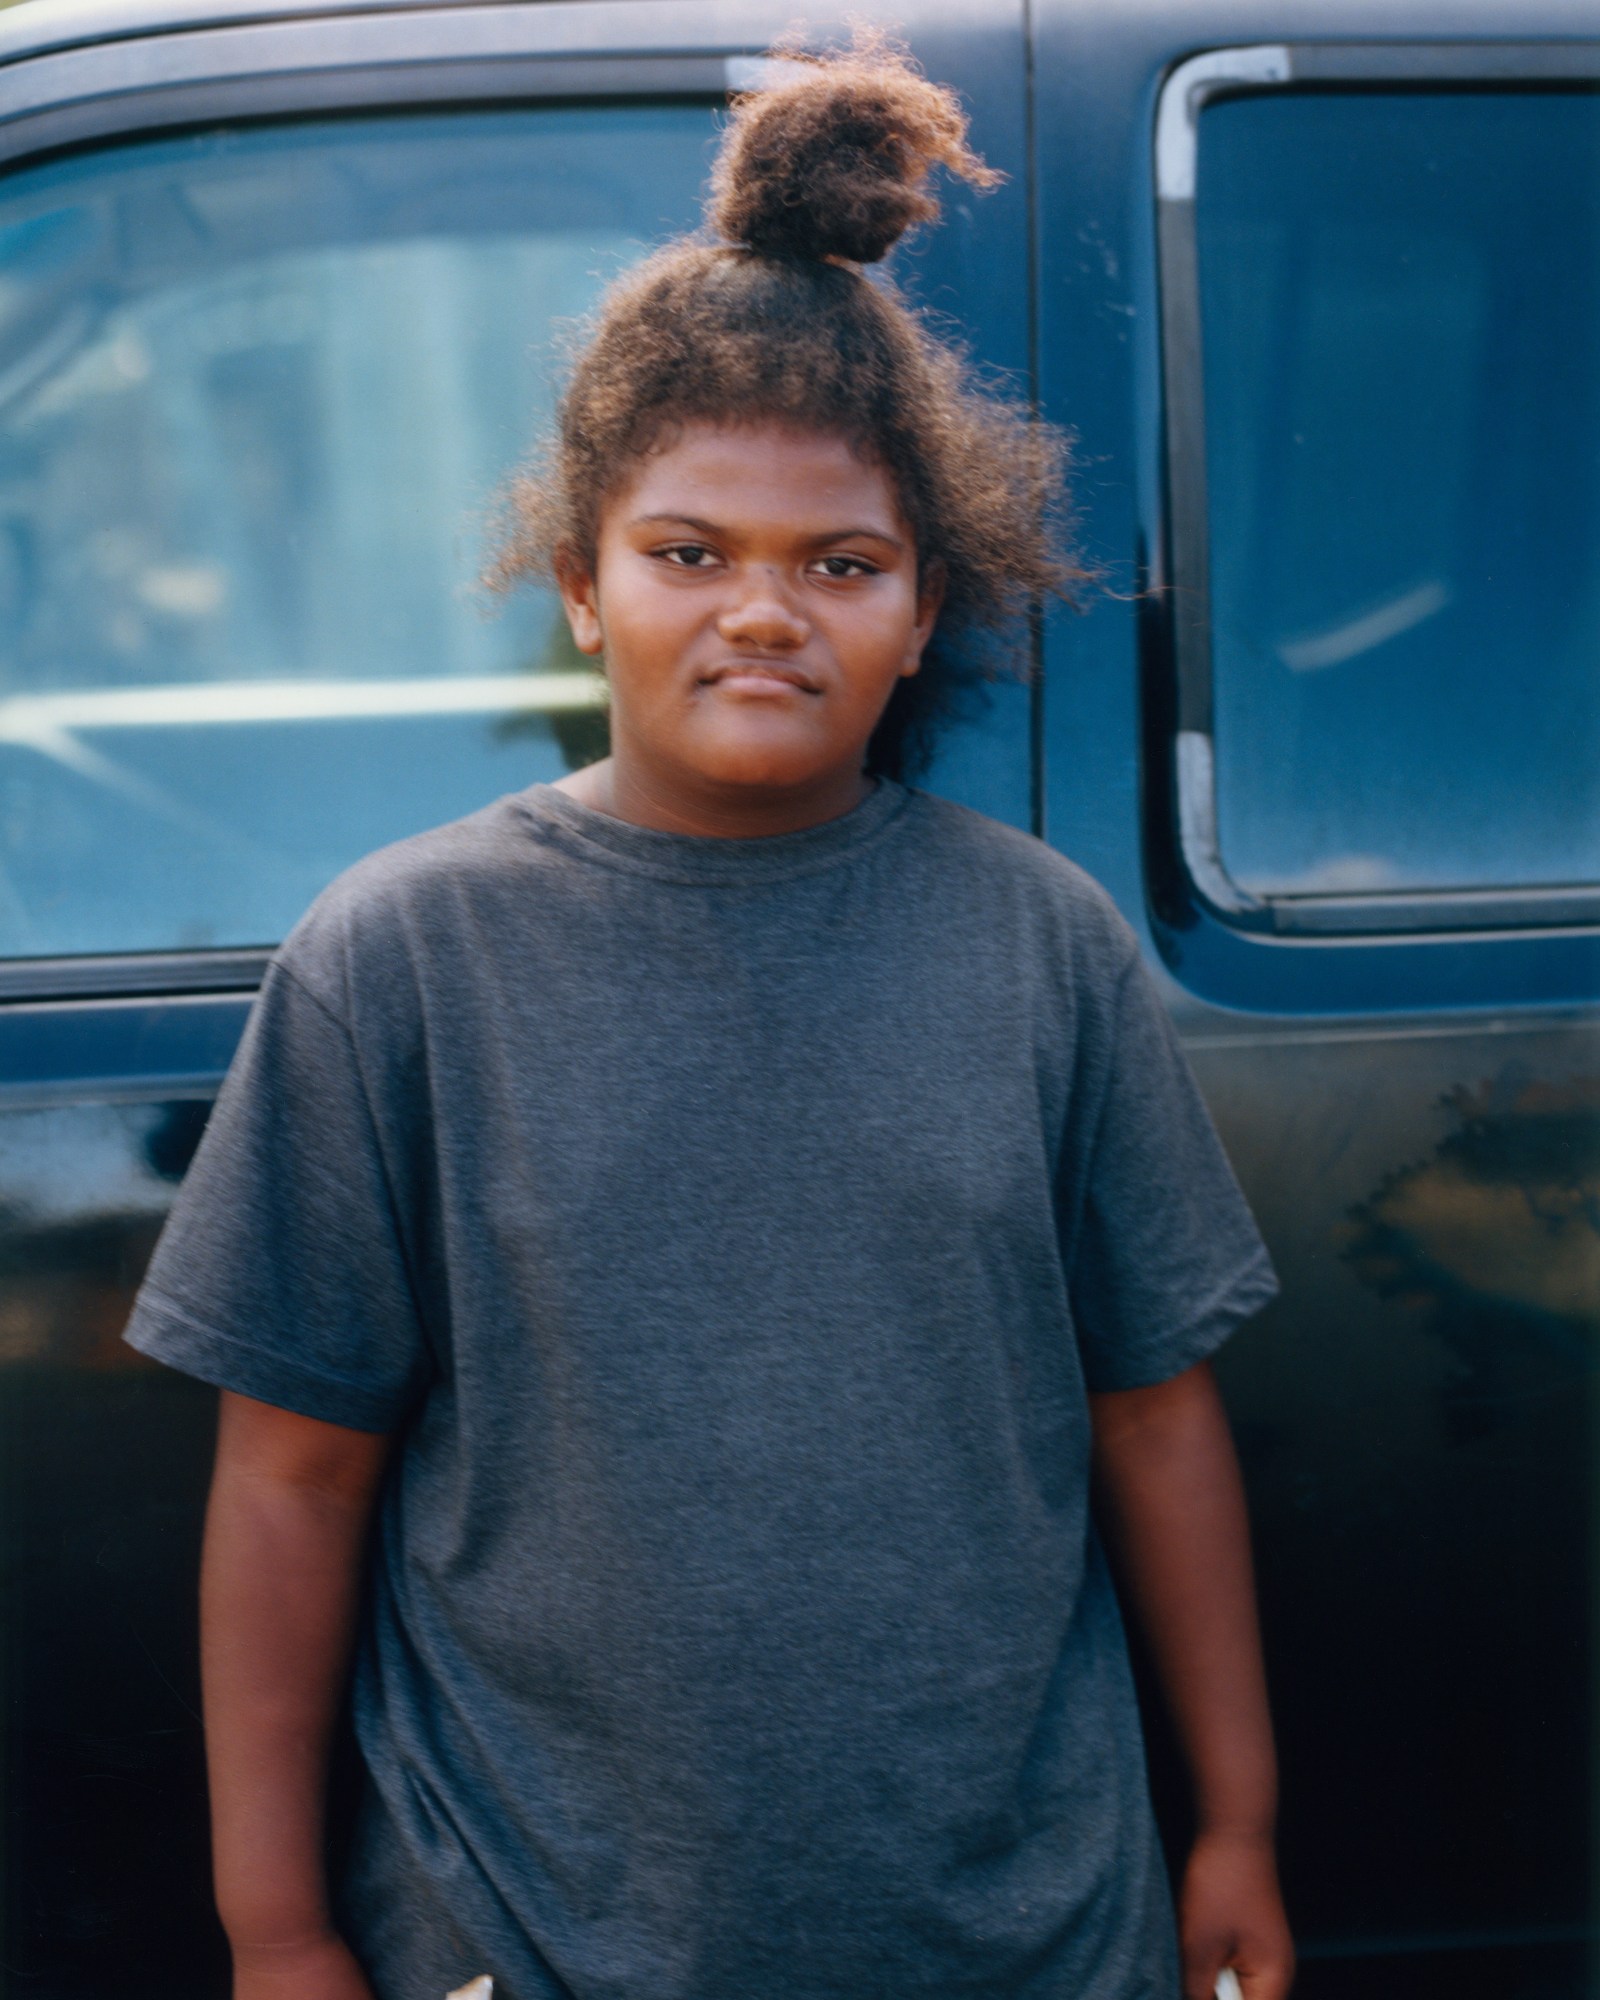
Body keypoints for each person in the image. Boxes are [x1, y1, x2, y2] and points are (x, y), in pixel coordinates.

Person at [123, 33, 1295, 2000]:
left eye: (839, 563)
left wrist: (1238, 1824)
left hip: (1019, 1933)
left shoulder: (1040, 947)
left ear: (923, 607)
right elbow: (291, 1477)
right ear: (579, 581)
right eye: (688, 553)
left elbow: (1153, 1422)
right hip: (533, 1930)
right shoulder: (399, 956)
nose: (762, 610)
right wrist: (276, 1927)